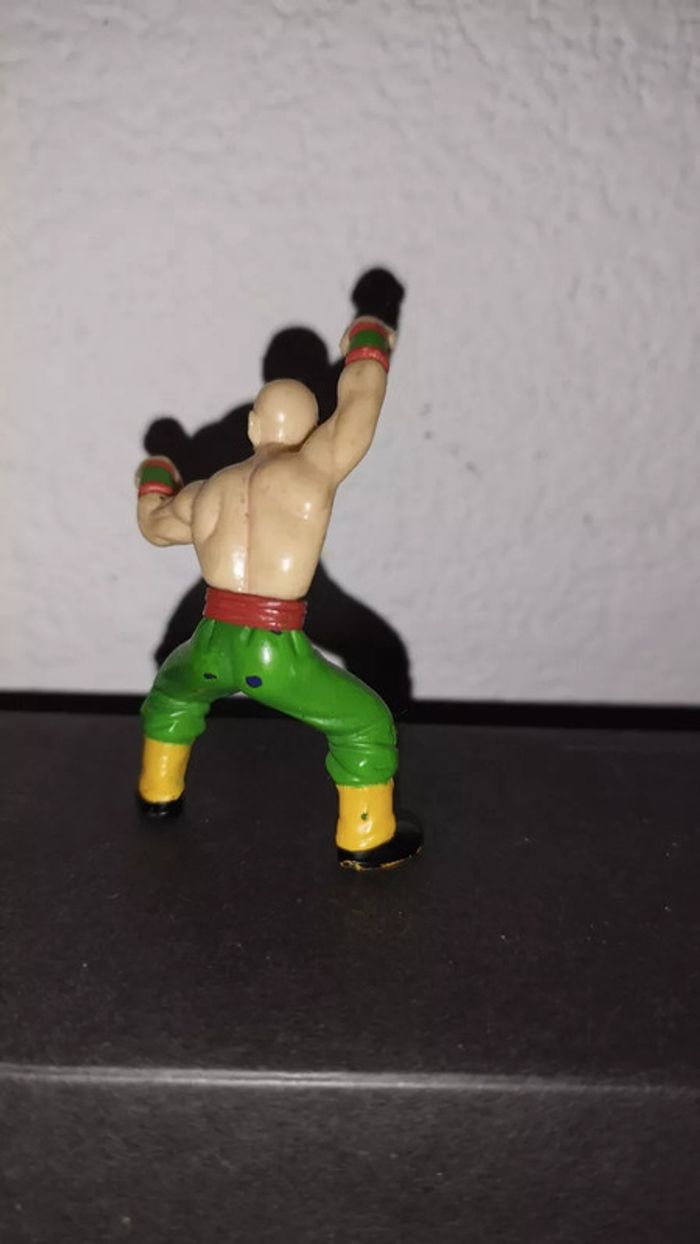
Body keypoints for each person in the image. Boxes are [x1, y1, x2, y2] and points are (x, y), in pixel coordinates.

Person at [135, 316, 421, 870]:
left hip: (210, 641)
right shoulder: (312, 469)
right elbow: (360, 408)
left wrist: (153, 478)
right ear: (312, 428)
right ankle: (367, 836)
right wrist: (368, 344)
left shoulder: (209, 490)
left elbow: (154, 527)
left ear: (251, 425)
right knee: (365, 723)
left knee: (172, 694)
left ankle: (158, 792)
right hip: (272, 647)